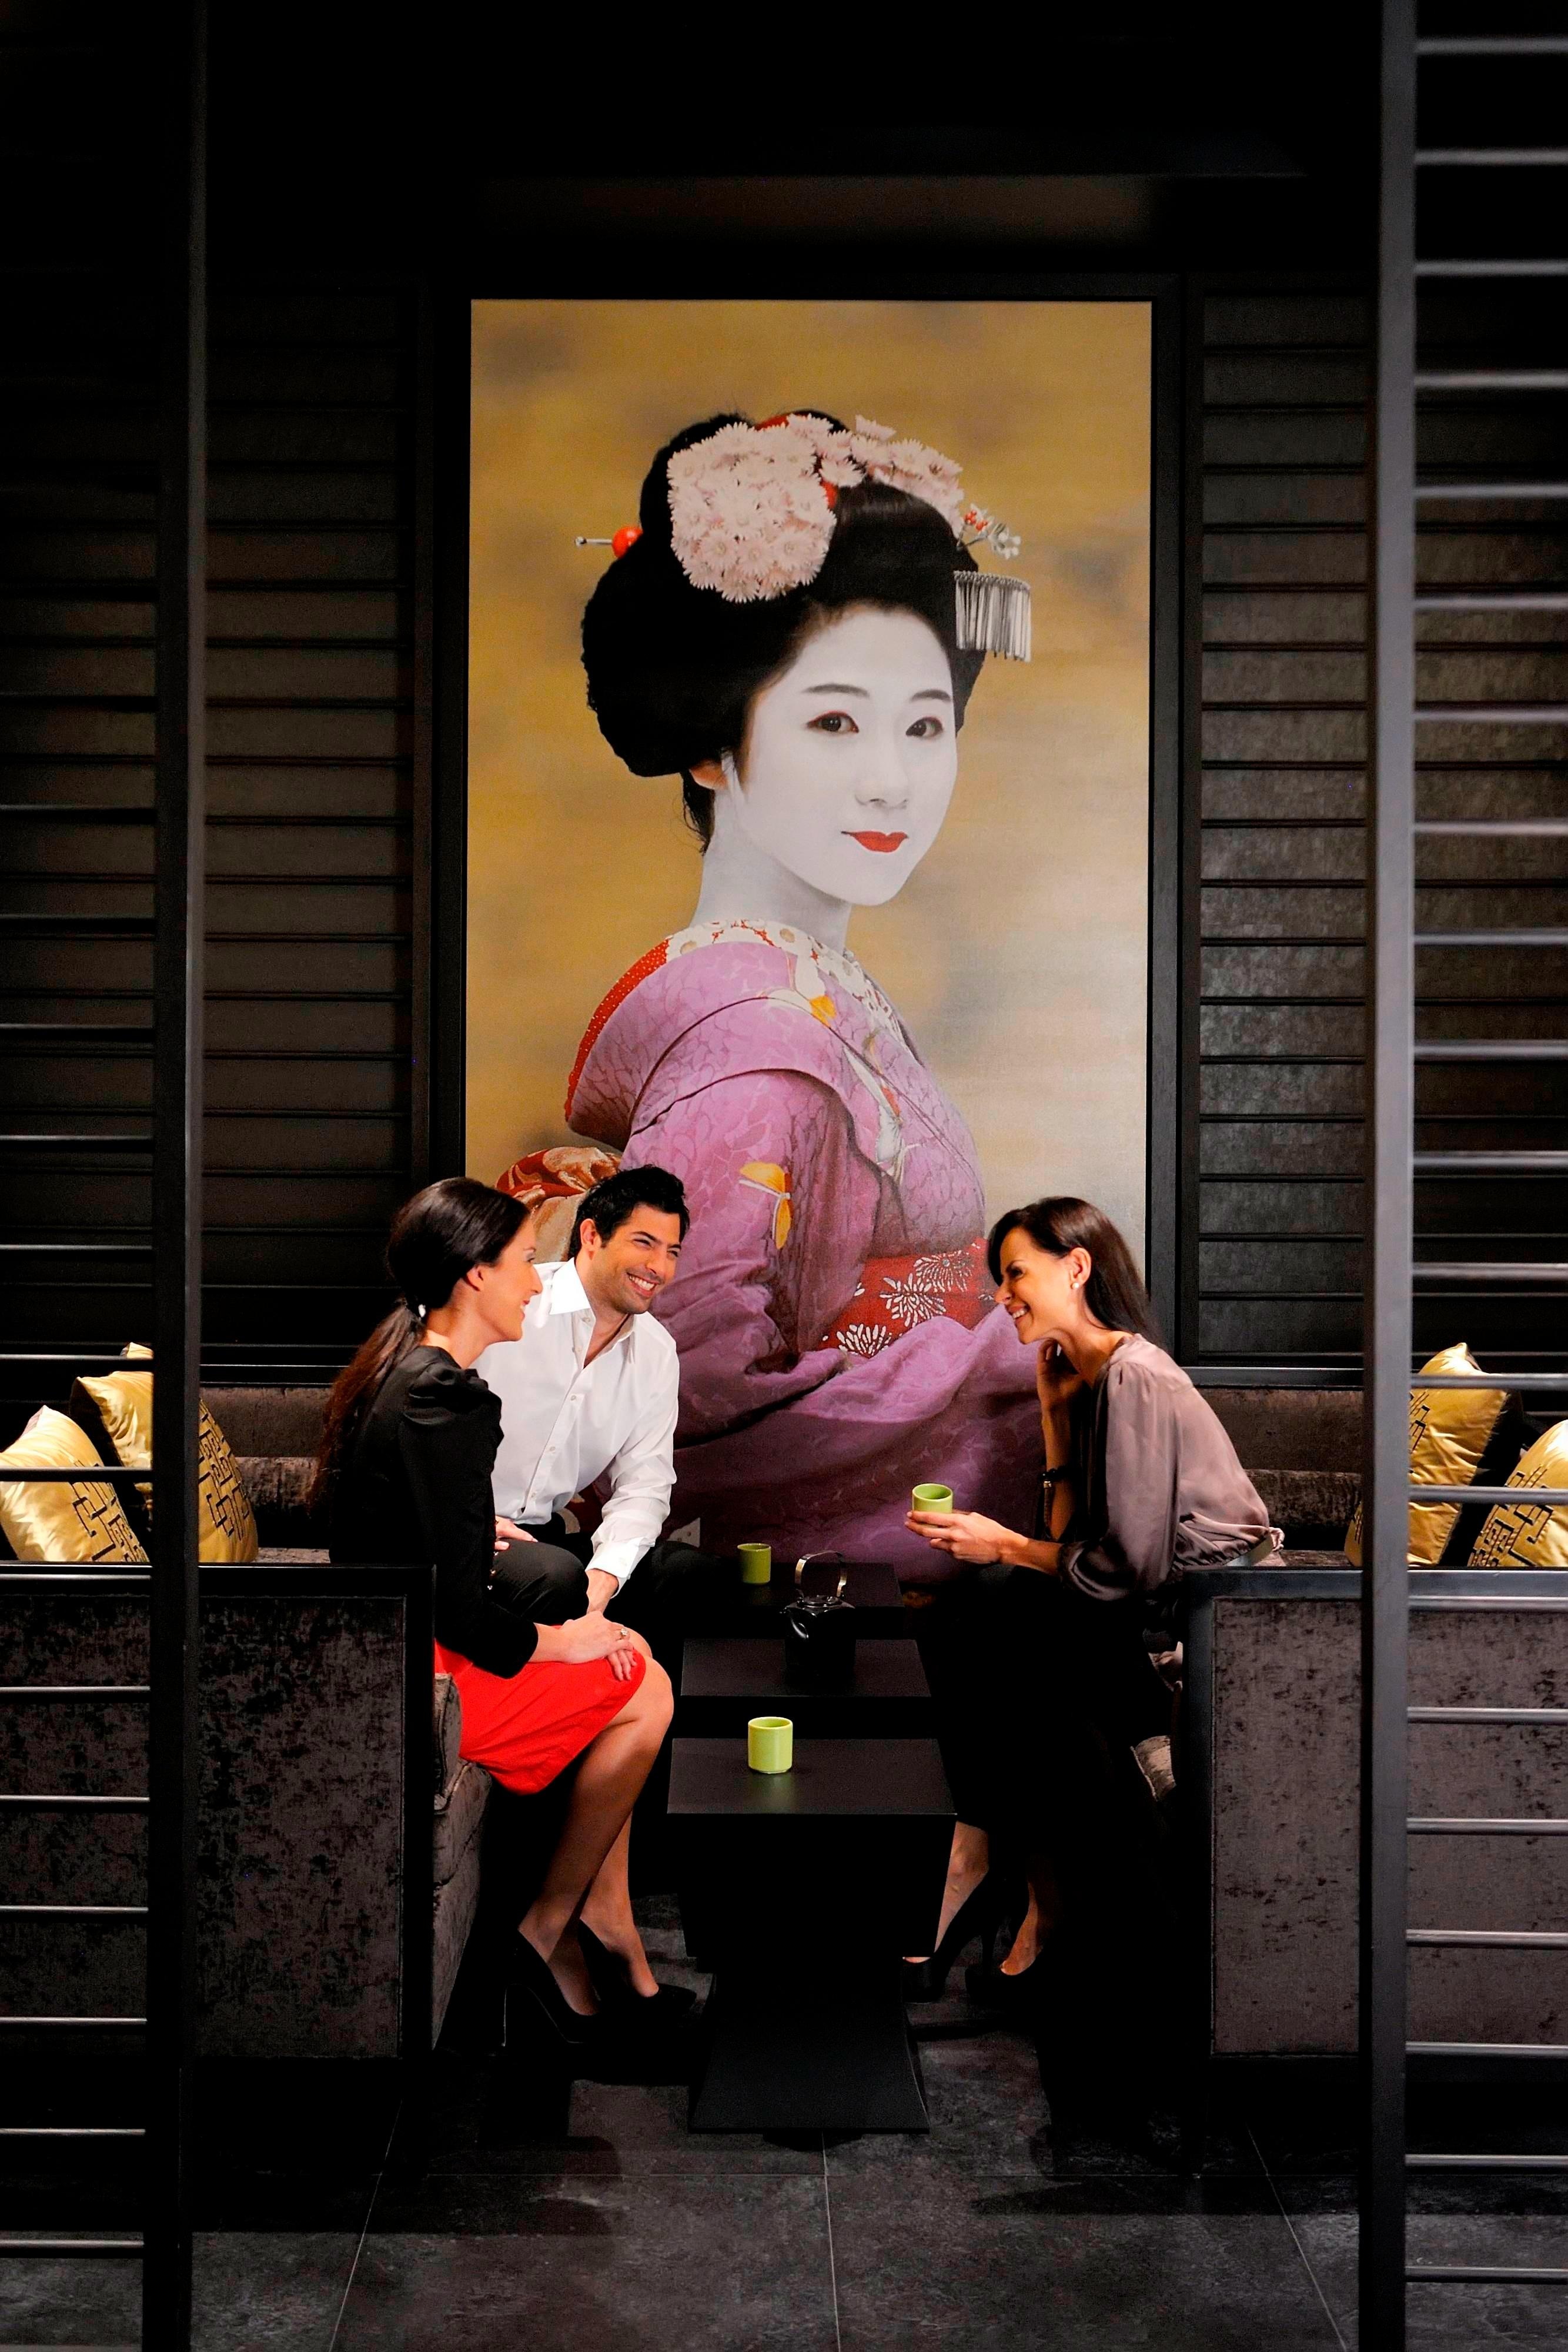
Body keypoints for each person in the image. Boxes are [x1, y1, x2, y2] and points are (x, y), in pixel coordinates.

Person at [498, 410, 1041, 1568]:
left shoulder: (815, 991)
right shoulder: (748, 1041)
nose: (892, 775)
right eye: (834, 719)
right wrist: (997, 1359)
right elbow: (689, 1392)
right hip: (821, 1583)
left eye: (925, 723)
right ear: (710, 744)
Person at [312, 1175, 677, 2048]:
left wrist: (577, 1603)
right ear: (473, 1275)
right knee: (643, 1684)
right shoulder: (452, 1400)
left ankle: (587, 1919)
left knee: (626, 1634)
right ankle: (545, 1931)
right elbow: (464, 1612)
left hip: (403, 1644)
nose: (530, 1280)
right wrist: (566, 1640)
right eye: (520, 1261)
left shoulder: (409, 1372)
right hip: (418, 1672)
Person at [904, 1196, 1275, 2004]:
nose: (1002, 1297)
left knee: (997, 1612)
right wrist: (1051, 1417)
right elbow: (1068, 1537)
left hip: (1206, 1624)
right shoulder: (1094, 1378)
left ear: (1074, 1267)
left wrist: (1000, 1542)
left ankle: (1000, 1879)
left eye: (1015, 1275)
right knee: (991, 1614)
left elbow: (1121, 1568)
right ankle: (1017, 1885)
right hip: (1146, 1606)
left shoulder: (1135, 1377)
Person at [473, 1164, 729, 1665]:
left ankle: (645, 1733)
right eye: (643, 1243)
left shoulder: (655, 1352)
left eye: (672, 1251)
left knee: (689, 1574)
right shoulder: (514, 1302)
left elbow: (645, 1487)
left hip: (546, 1540)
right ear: (591, 1235)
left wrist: (601, 1584)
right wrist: (469, 1524)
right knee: (554, 1577)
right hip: (471, 1534)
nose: (659, 1266)